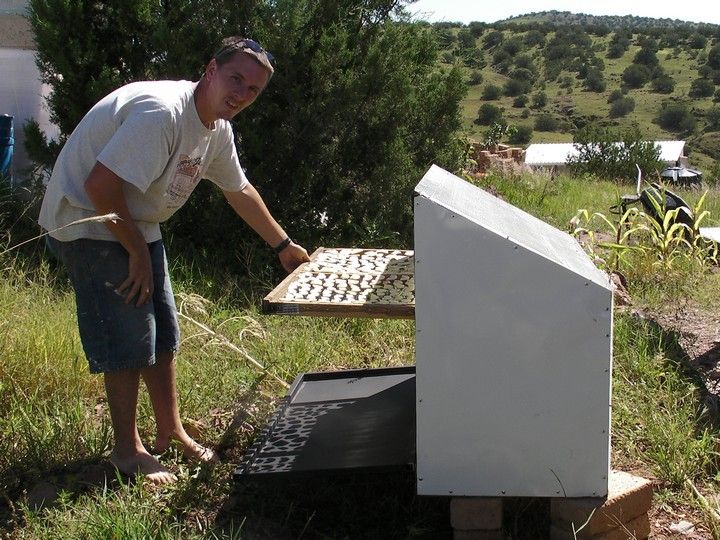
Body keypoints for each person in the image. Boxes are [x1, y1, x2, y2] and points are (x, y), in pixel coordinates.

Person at [38, 37, 310, 484]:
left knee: (162, 330)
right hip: (86, 221)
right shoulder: (162, 114)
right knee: (128, 335)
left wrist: (283, 246)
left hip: (135, 224)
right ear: (210, 70)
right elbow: (99, 188)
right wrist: (135, 252)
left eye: (252, 90)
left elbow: (238, 190)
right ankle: (128, 452)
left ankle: (172, 432)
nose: (240, 94)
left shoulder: (217, 128)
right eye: (235, 79)